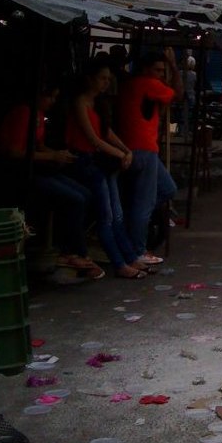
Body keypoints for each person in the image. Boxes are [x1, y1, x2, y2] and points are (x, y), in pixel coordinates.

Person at [0, 84, 103, 279]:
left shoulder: (39, 116)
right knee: (75, 199)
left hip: (40, 167)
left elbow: (38, 145)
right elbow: (15, 152)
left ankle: (69, 246)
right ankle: (72, 252)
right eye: (50, 97)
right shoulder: (24, 113)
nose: (52, 102)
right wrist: (52, 157)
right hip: (20, 172)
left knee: (85, 194)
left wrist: (57, 154)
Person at [66, 59, 147, 279]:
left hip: (98, 160)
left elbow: (106, 132)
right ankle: (120, 263)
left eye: (107, 79)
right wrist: (121, 153)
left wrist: (125, 149)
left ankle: (129, 259)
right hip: (84, 161)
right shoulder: (80, 103)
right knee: (107, 216)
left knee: (116, 215)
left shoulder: (97, 103)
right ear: (89, 79)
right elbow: (93, 138)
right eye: (102, 78)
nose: (105, 83)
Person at [117, 50, 182, 265]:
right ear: (145, 69)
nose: (160, 75)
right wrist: (173, 66)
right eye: (157, 70)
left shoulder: (131, 84)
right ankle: (137, 250)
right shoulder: (147, 83)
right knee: (142, 204)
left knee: (167, 189)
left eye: (163, 71)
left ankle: (134, 233)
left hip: (134, 148)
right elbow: (177, 94)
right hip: (143, 149)